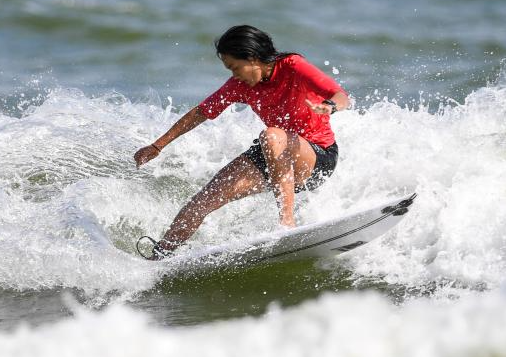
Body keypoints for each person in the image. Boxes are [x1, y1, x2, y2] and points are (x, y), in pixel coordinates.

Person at [133, 25, 350, 259]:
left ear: (254, 58)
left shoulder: (293, 66)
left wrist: (330, 106)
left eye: (236, 68)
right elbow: (201, 112)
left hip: (317, 157)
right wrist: (158, 145)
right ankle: (159, 256)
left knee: (271, 135)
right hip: (274, 155)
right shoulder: (240, 85)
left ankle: (287, 225)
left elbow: (340, 95)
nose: (234, 75)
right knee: (201, 202)